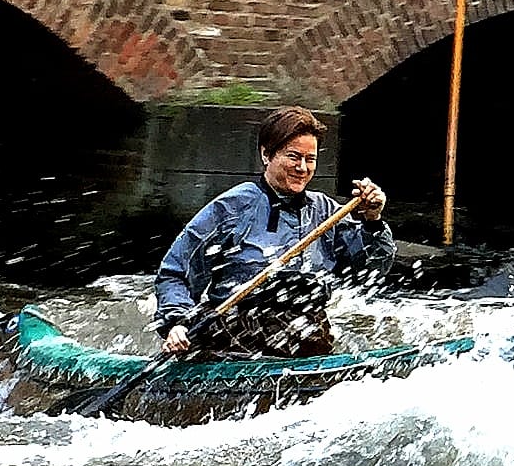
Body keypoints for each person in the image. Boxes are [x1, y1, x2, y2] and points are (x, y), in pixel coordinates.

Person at [154, 106, 394, 358]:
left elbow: (372, 270)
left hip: (306, 335)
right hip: (235, 336)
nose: (302, 167)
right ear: (267, 154)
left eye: (309, 159)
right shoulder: (231, 208)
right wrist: (177, 322)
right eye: (293, 156)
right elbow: (175, 273)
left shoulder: (326, 212)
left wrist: (372, 220)